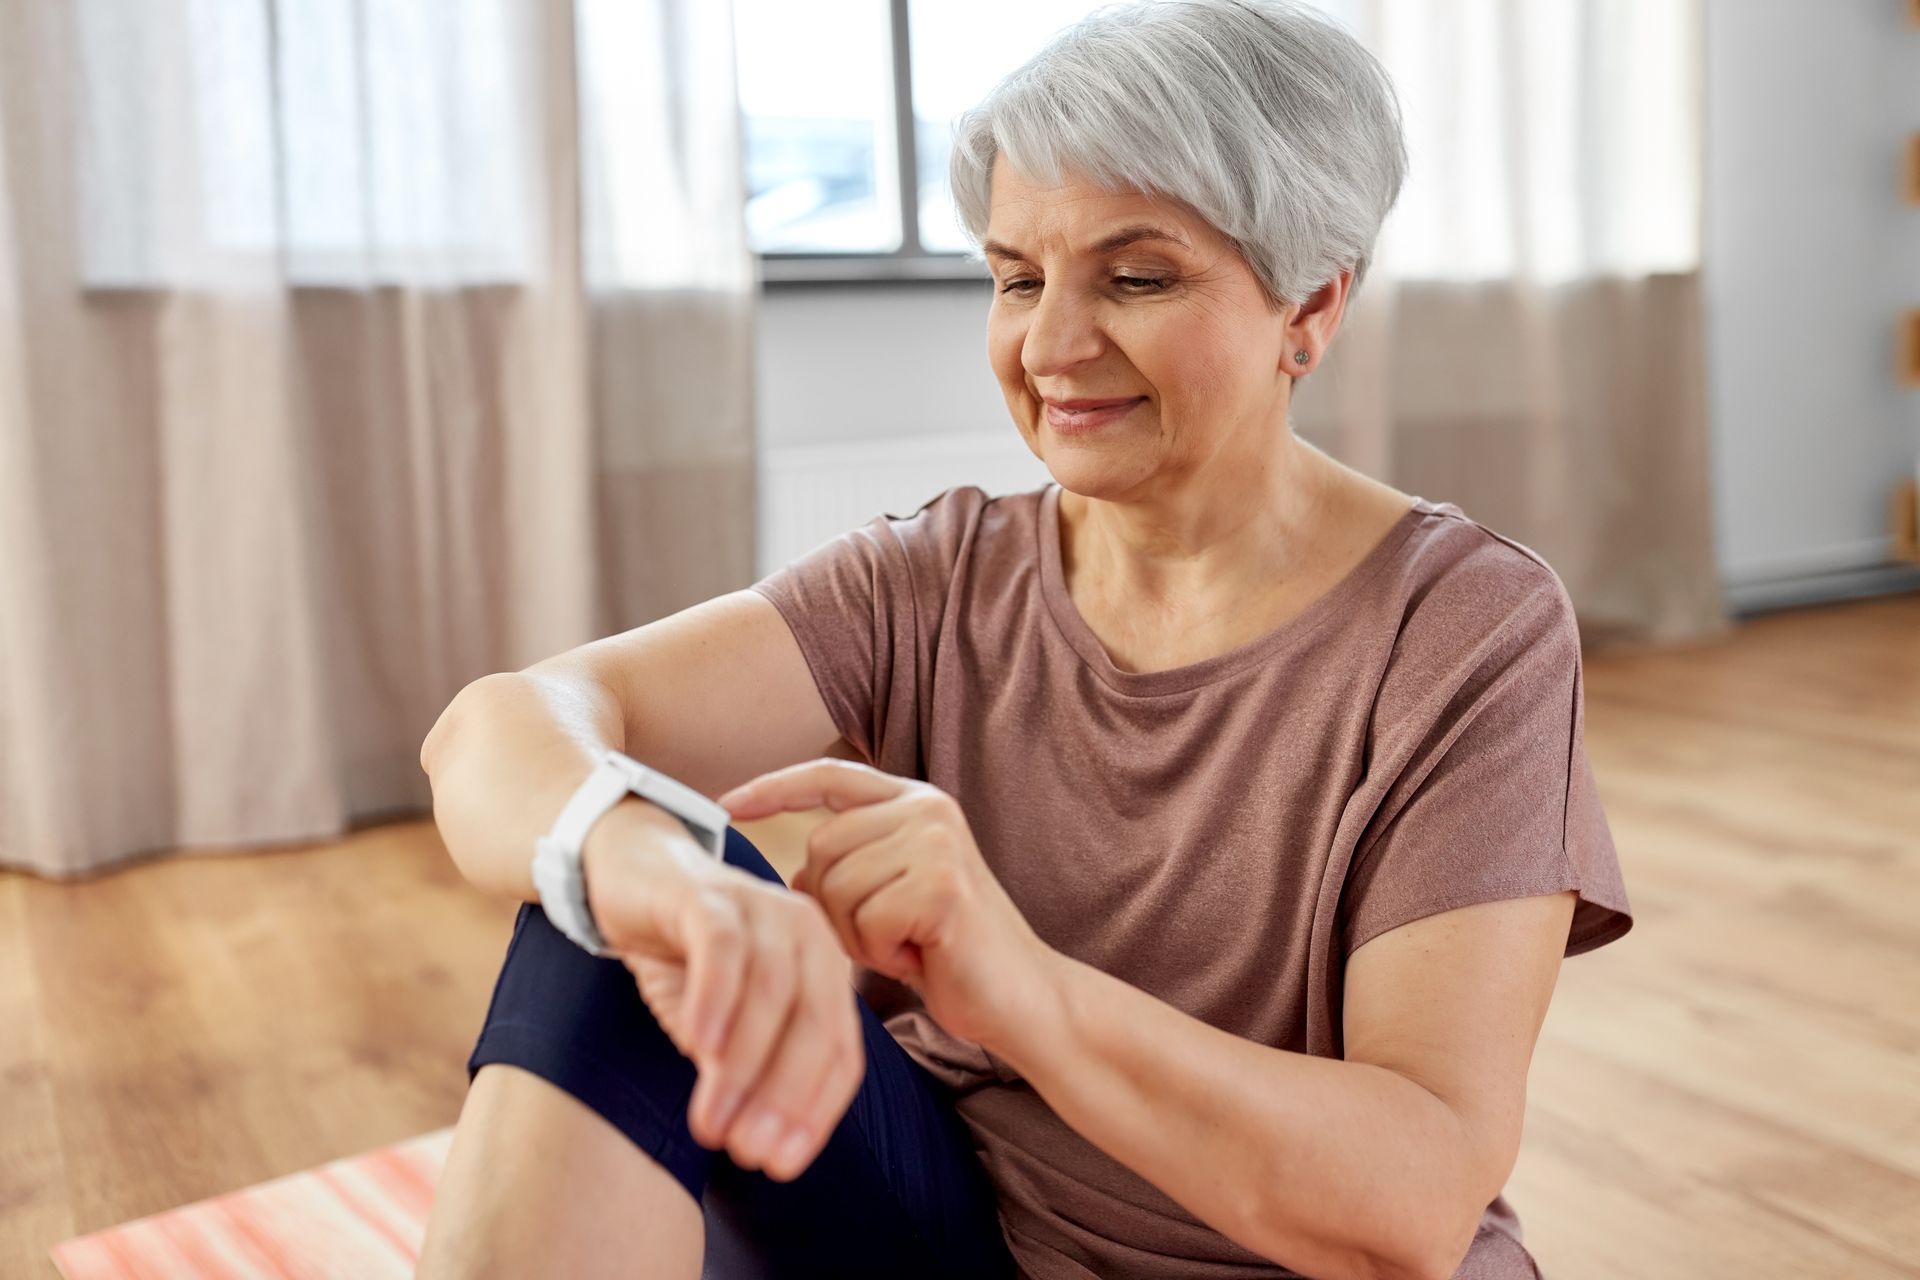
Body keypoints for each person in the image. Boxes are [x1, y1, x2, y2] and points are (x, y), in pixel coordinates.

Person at [414, 0, 1634, 1276]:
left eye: (1139, 275)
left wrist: (1020, 986)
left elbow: (1414, 1203)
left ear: (1310, 305)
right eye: (1016, 277)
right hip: (956, 1232)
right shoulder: (936, 578)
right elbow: (496, 727)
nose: (1051, 345)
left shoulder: (1465, 628)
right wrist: (653, 871)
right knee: (614, 897)